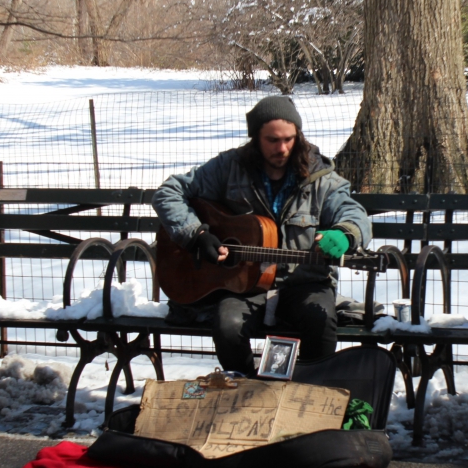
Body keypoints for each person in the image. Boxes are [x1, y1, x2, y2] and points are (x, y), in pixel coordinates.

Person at [154, 95, 371, 374]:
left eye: (289, 139)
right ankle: (245, 387)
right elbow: (169, 192)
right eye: (272, 140)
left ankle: (310, 391)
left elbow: (352, 212)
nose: (282, 148)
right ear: (255, 137)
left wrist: (346, 233)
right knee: (227, 325)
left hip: (305, 282)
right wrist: (195, 234)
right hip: (244, 285)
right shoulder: (229, 168)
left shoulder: (321, 178)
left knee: (320, 321)